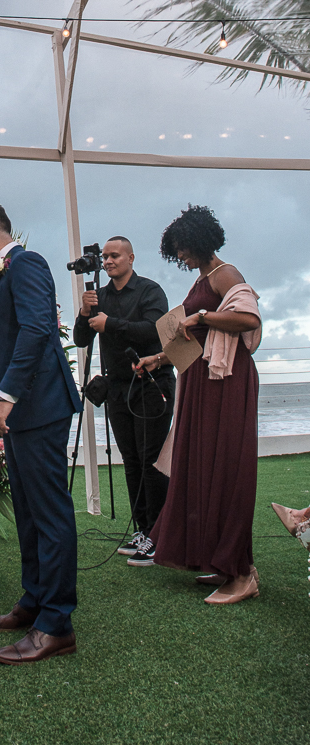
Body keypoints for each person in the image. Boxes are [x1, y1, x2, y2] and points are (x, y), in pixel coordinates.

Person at [0, 201, 82, 664]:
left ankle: (56, 624)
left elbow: (36, 331)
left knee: (49, 513)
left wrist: (6, 395)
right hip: (24, 412)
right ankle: (33, 602)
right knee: (28, 512)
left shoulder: (27, 264)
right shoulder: (1, 273)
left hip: (38, 407)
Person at [137, 205, 261, 605]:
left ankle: (242, 573)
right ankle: (222, 563)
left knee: (226, 469)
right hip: (201, 382)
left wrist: (202, 316)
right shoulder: (204, 277)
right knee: (203, 468)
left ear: (199, 242)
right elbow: (195, 335)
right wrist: (158, 359)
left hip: (226, 383)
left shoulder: (226, 273)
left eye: (185, 250)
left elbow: (247, 320)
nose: (183, 258)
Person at [73, 237, 174, 567]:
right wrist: (85, 312)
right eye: (104, 257)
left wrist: (110, 323)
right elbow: (80, 339)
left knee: (150, 460)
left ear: (131, 257)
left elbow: (154, 331)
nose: (108, 261)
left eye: (115, 255)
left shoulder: (149, 291)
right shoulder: (99, 297)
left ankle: (158, 535)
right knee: (131, 459)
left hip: (151, 385)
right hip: (117, 389)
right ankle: (143, 530)